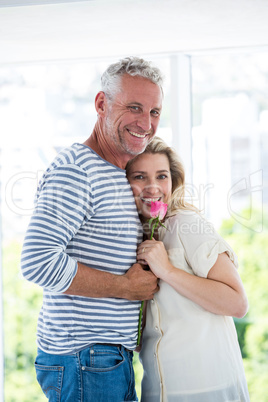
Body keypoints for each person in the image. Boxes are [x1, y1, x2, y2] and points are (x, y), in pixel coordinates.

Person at [21, 57, 164, 402]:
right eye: (134, 108)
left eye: (155, 112)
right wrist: (125, 287)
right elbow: (37, 261)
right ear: (101, 104)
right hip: (83, 357)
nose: (146, 123)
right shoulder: (76, 171)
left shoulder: (120, 172)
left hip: (105, 358)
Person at [126, 137, 250, 402]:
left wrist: (168, 271)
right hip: (157, 391)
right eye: (139, 176)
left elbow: (238, 303)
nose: (152, 187)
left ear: (173, 182)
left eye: (161, 176)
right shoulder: (135, 237)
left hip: (208, 388)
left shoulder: (187, 225)